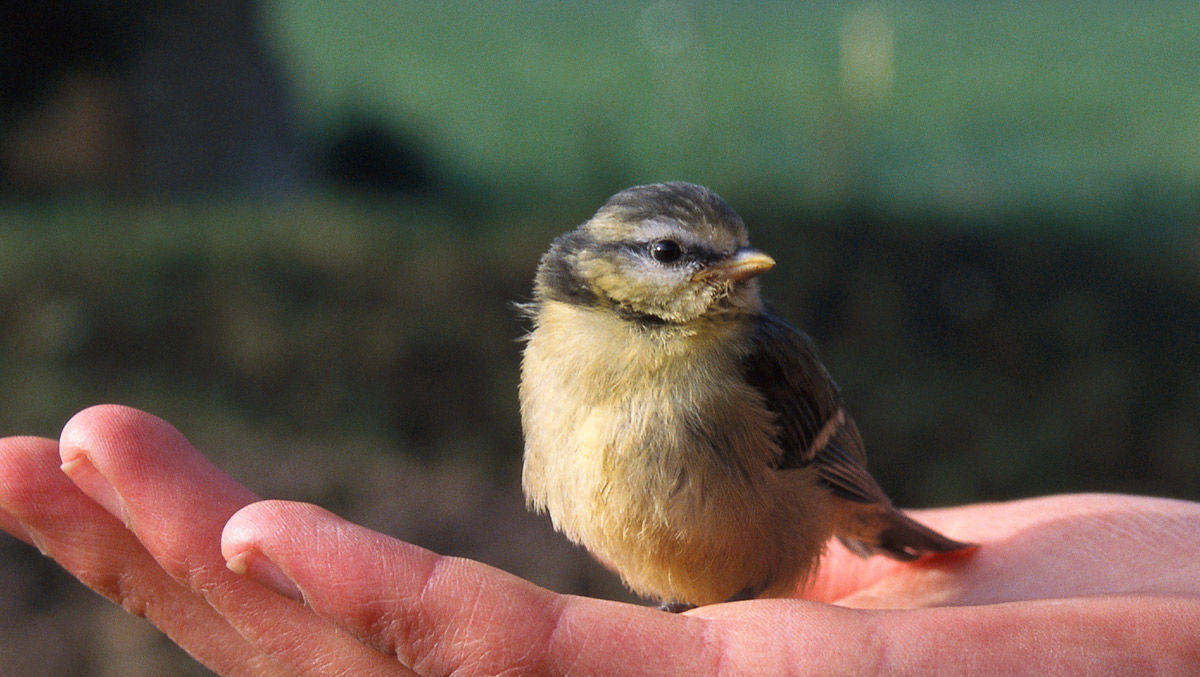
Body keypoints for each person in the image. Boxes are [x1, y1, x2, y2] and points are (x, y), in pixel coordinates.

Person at [0, 405, 1197, 674]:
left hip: (803, 537)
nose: (727, 281)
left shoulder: (743, 364)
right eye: (681, 260)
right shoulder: (562, 365)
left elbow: (822, 456)